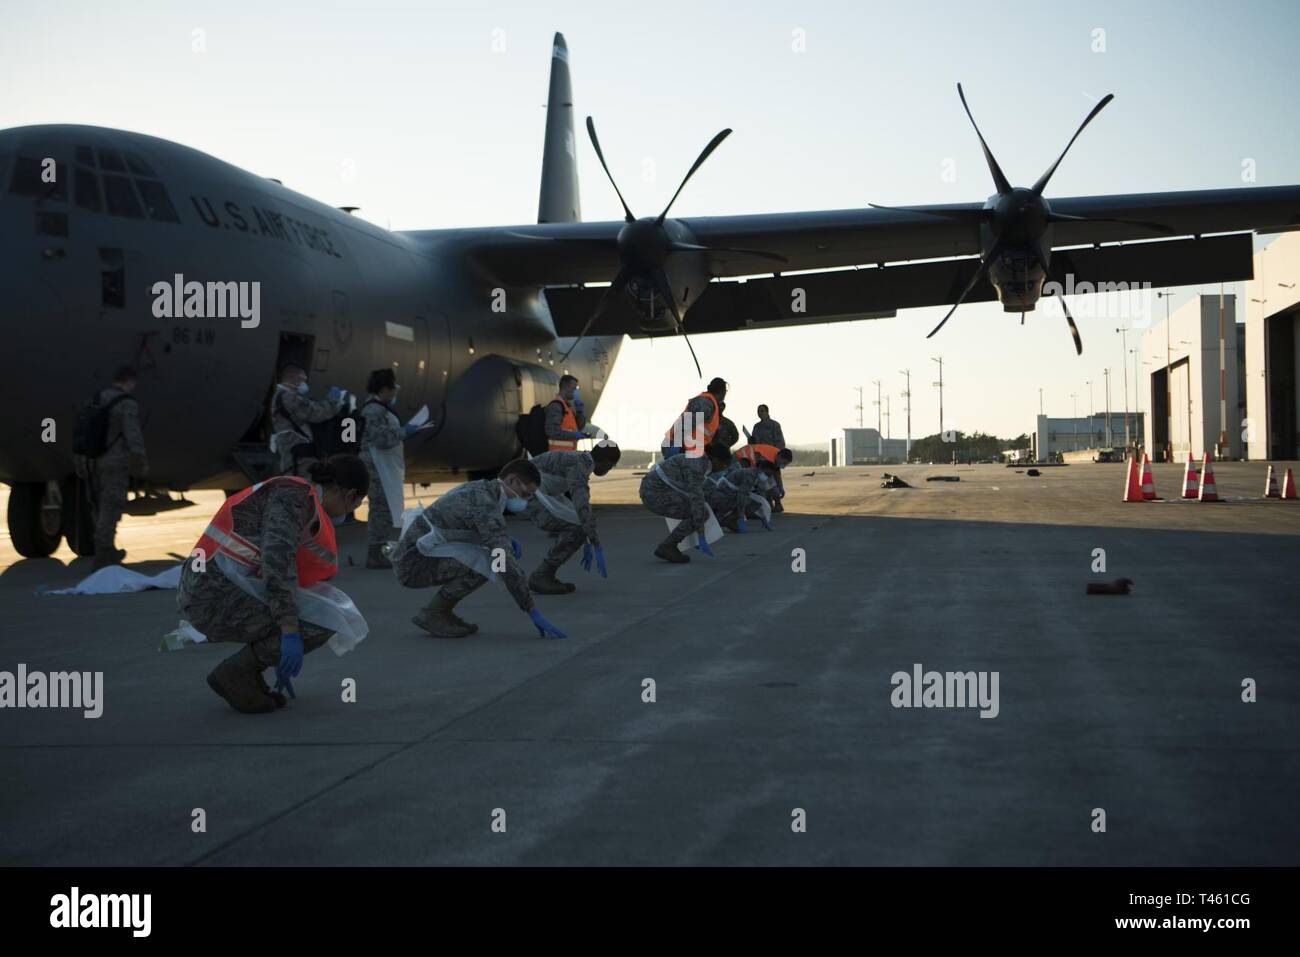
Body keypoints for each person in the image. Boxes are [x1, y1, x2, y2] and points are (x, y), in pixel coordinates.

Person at [178, 455, 370, 714]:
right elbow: (277, 565)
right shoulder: (293, 499)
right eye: (355, 504)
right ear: (349, 494)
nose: (348, 513)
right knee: (323, 621)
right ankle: (236, 673)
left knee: (328, 607)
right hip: (212, 595)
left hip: (217, 587)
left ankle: (248, 673)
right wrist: (289, 632)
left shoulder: (301, 497)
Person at [391, 459, 567, 640]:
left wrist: (505, 540)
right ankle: (434, 613)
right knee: (490, 563)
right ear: (512, 480)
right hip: (412, 566)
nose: (524, 501)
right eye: (524, 494)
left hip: (416, 555)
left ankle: (441, 612)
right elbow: (503, 562)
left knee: (491, 556)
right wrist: (530, 608)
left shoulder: (483, 490)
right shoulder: (485, 504)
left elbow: (470, 527)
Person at [524, 443, 621, 594]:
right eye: (611, 466)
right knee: (577, 530)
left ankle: (545, 574)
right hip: (527, 492)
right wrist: (593, 538)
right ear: (607, 463)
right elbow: (581, 501)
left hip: (534, 490)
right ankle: (542, 575)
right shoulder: (579, 465)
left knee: (576, 523)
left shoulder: (579, 459)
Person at [358, 368, 419, 569]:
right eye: (393, 388)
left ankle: (378, 551)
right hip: (377, 469)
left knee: (382, 509)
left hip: (382, 467)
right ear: (384, 389)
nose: (395, 393)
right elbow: (382, 440)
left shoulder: (378, 409)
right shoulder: (374, 410)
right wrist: (405, 431)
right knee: (380, 510)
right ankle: (375, 555)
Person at [89, 366, 148, 570]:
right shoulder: (126, 403)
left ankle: (105, 549)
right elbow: (132, 433)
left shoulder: (98, 398)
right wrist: (140, 460)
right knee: (111, 507)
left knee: (100, 506)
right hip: (115, 463)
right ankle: (104, 553)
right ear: (129, 381)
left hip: (95, 461)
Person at [640, 442, 732, 563]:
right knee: (701, 512)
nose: (723, 469)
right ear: (715, 460)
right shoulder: (698, 466)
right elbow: (697, 499)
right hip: (655, 494)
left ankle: (674, 544)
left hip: (655, 490)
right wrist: (701, 534)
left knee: (700, 510)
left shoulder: (698, 460)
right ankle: (668, 546)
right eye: (723, 465)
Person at [270, 362, 346, 476]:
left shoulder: (283, 395)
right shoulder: (287, 396)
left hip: (294, 451)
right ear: (291, 376)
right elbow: (316, 413)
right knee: (304, 485)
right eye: (302, 377)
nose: (304, 381)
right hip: (297, 453)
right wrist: (333, 400)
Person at [661, 377, 727, 458]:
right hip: (679, 447)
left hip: (686, 448)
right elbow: (686, 424)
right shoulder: (705, 404)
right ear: (722, 392)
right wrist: (676, 448)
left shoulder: (708, 403)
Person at [706, 457, 776, 533]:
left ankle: (726, 520)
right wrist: (741, 517)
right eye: (767, 474)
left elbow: (754, 496)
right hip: (720, 496)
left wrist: (763, 518)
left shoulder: (754, 474)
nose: (767, 477)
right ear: (761, 469)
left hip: (724, 494)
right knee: (745, 504)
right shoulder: (750, 475)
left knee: (751, 504)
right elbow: (742, 497)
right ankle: (723, 520)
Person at [731, 442, 793, 512]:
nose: (784, 466)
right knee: (756, 484)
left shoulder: (776, 457)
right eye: (784, 463)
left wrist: (780, 487)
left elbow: (776, 473)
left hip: (748, 461)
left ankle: (772, 505)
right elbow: (762, 477)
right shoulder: (765, 458)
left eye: (786, 464)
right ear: (779, 457)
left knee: (767, 484)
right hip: (740, 458)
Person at [545, 374, 587, 451]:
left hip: (568, 454)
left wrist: (580, 412)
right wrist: (574, 435)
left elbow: (579, 427)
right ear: (565, 387)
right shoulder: (556, 406)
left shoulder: (568, 407)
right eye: (574, 388)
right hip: (557, 454)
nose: (575, 392)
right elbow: (552, 432)